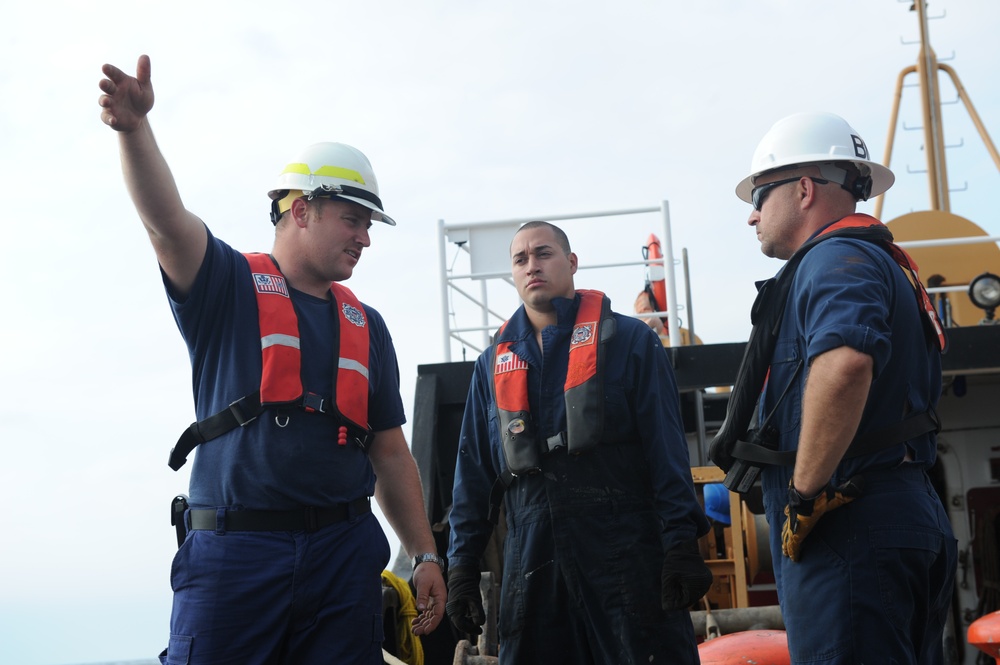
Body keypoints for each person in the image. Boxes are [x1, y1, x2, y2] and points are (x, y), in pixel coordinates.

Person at [98, 55, 446, 665]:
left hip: (343, 559)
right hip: (237, 555)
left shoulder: (370, 328)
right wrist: (134, 130)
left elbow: (390, 452)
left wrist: (423, 553)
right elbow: (166, 225)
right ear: (301, 209)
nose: (365, 237)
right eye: (353, 218)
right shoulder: (225, 285)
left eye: (369, 224)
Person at [709, 111, 957, 663]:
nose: (751, 218)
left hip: (849, 525)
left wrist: (804, 494)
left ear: (802, 190)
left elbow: (845, 363)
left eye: (760, 196)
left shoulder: (833, 260)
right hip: (896, 511)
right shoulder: (873, 261)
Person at [446, 221, 712, 664]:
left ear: (571, 263)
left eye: (543, 253)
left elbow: (666, 452)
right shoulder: (490, 366)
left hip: (628, 559)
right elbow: (472, 478)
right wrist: (461, 569)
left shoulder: (631, 343)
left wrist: (681, 542)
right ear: (513, 274)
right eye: (520, 259)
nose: (532, 265)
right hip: (531, 569)